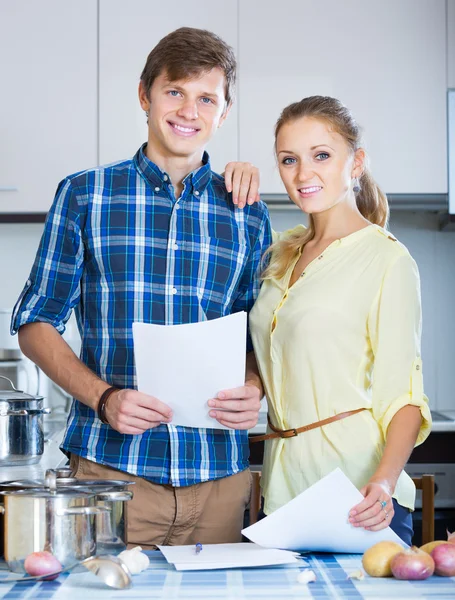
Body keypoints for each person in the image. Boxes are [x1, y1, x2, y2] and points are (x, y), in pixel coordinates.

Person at [11, 27, 272, 548]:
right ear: (144, 95)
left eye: (206, 99)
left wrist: (254, 386)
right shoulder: (85, 195)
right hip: (112, 475)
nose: (188, 111)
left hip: (219, 478)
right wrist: (104, 398)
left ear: (223, 113)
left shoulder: (248, 212)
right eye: (174, 91)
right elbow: (35, 324)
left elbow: (258, 333)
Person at [247, 96, 431, 545]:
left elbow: (403, 393)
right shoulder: (280, 250)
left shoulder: (388, 259)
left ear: (356, 163)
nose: (303, 174)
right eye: (288, 160)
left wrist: (385, 482)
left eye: (321, 155)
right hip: (282, 491)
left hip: (357, 493)